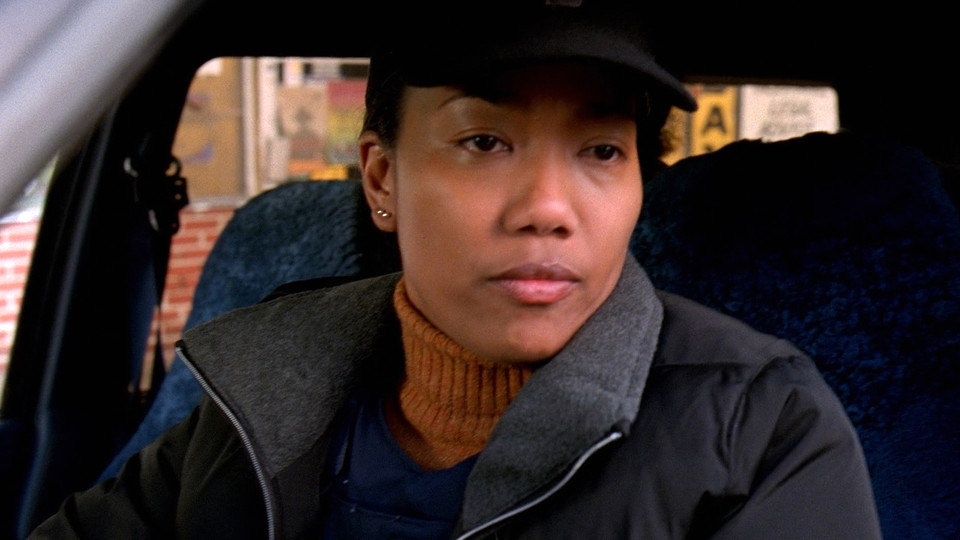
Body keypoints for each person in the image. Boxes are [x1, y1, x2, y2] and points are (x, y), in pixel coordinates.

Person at [32, 1, 881, 538]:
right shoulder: (263, 384)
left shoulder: (760, 428)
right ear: (381, 179)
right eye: (484, 141)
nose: (548, 208)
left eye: (600, 150)